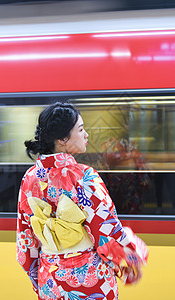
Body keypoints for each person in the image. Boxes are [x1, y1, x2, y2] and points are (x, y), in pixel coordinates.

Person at [17, 102, 149, 300]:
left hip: (50, 280)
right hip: (89, 278)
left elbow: (26, 237)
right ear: (62, 139)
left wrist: (39, 276)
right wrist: (132, 253)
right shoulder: (84, 176)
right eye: (80, 129)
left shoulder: (29, 178)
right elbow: (106, 228)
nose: (86, 134)